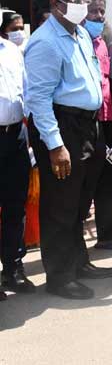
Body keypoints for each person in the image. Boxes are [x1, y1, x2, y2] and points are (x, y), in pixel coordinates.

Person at [25, 0, 112, 300]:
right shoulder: (45, 42)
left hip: (89, 125)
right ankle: (60, 277)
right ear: (56, 4)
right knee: (60, 205)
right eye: (76, 0)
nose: (82, 5)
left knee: (79, 201)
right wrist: (55, 145)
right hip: (64, 128)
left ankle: (79, 262)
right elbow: (39, 99)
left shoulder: (78, 36)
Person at [84, 0, 112, 251]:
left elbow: (111, 83)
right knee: (86, 182)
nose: (99, 17)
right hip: (86, 123)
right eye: (94, 12)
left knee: (108, 179)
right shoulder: (77, 43)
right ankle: (74, 244)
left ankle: (106, 236)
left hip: (107, 121)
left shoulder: (102, 43)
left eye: (102, 12)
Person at [0, 24, 34, 300]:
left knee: (15, 203)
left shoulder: (12, 51)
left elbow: (26, 91)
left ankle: (13, 267)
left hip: (16, 134)